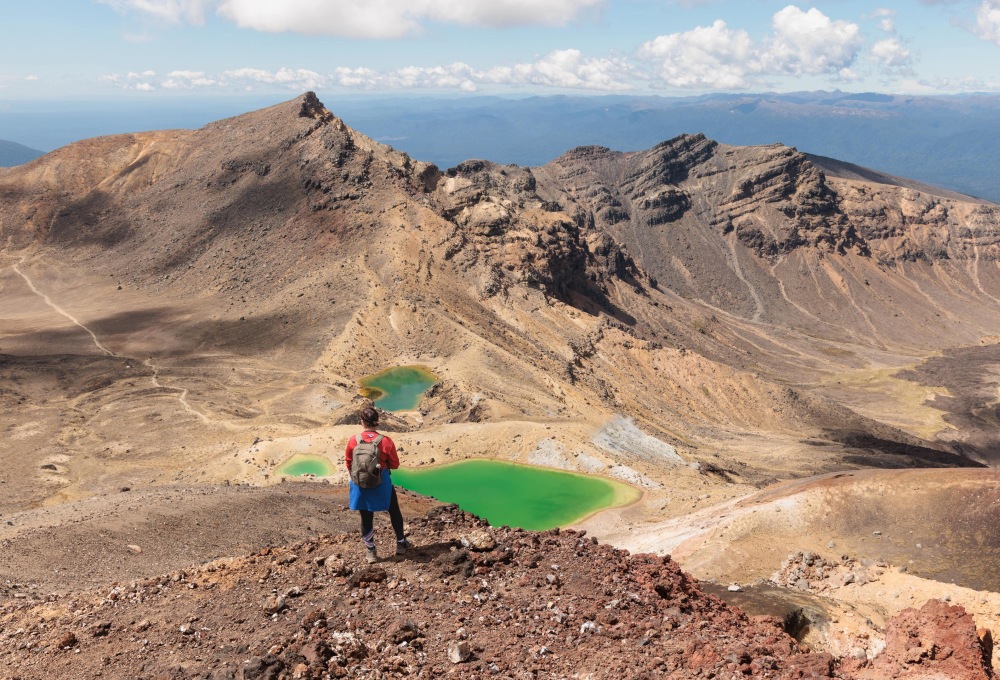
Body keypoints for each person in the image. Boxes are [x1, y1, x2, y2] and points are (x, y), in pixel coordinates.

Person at [345, 406, 411, 563]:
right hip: (381, 482)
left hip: (360, 483)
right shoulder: (386, 441)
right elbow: (394, 464)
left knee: (366, 517)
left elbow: (349, 462)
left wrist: (359, 477)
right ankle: (401, 544)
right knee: (394, 511)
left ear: (362, 422)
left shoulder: (353, 440)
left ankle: (371, 552)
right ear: (377, 422)